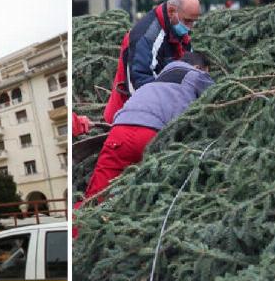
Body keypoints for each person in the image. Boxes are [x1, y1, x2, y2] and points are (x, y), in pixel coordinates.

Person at [84, 51, 214, 200]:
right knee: (152, 193)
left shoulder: (151, 84)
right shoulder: (194, 74)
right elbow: (217, 95)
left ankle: (82, 221)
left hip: (118, 131)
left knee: (96, 196)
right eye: (207, 72)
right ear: (198, 67)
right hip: (150, 133)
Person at [102, 0, 201, 124]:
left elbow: (187, 68)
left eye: (193, 22)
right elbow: (138, 84)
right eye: (188, 21)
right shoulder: (146, 37)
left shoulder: (177, 30)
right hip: (129, 117)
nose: (190, 28)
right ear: (172, 11)